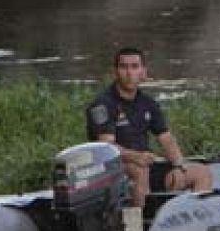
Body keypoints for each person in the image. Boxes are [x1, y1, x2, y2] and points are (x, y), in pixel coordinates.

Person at [86, 47, 213, 206]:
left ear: (143, 72)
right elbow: (106, 147)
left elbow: (165, 138)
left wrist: (179, 165)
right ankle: (140, 224)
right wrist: (136, 157)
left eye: (134, 66)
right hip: (113, 170)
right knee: (140, 169)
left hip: (146, 163)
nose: (129, 72)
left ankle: (193, 218)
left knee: (201, 173)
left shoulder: (148, 103)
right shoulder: (103, 104)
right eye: (124, 67)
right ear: (115, 72)